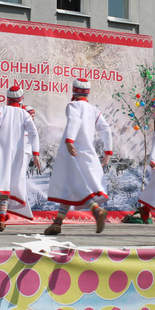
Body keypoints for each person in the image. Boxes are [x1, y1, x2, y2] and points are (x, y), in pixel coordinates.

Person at [44, 78, 112, 235]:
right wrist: (108, 150)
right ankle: (57, 223)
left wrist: (69, 140)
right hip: (87, 151)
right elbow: (105, 129)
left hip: (71, 151)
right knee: (68, 186)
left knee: (74, 184)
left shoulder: (73, 105)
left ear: (74, 90)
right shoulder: (93, 109)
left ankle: (96, 210)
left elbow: (74, 121)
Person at [0, 86, 41, 231]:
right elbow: (33, 133)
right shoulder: (25, 114)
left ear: (7, 98)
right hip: (15, 154)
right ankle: (0, 217)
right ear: (21, 99)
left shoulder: (1, 110)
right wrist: (36, 153)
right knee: (7, 183)